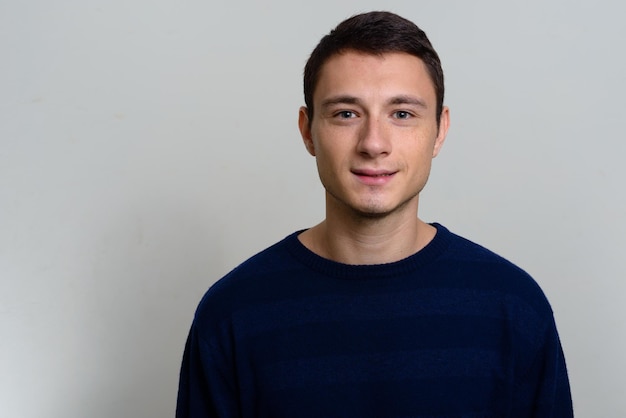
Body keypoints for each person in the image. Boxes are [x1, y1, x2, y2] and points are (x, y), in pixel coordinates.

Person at [176, 11, 573, 417]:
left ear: (439, 131)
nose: (374, 143)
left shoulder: (514, 307)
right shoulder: (231, 314)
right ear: (308, 130)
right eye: (346, 113)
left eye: (402, 114)